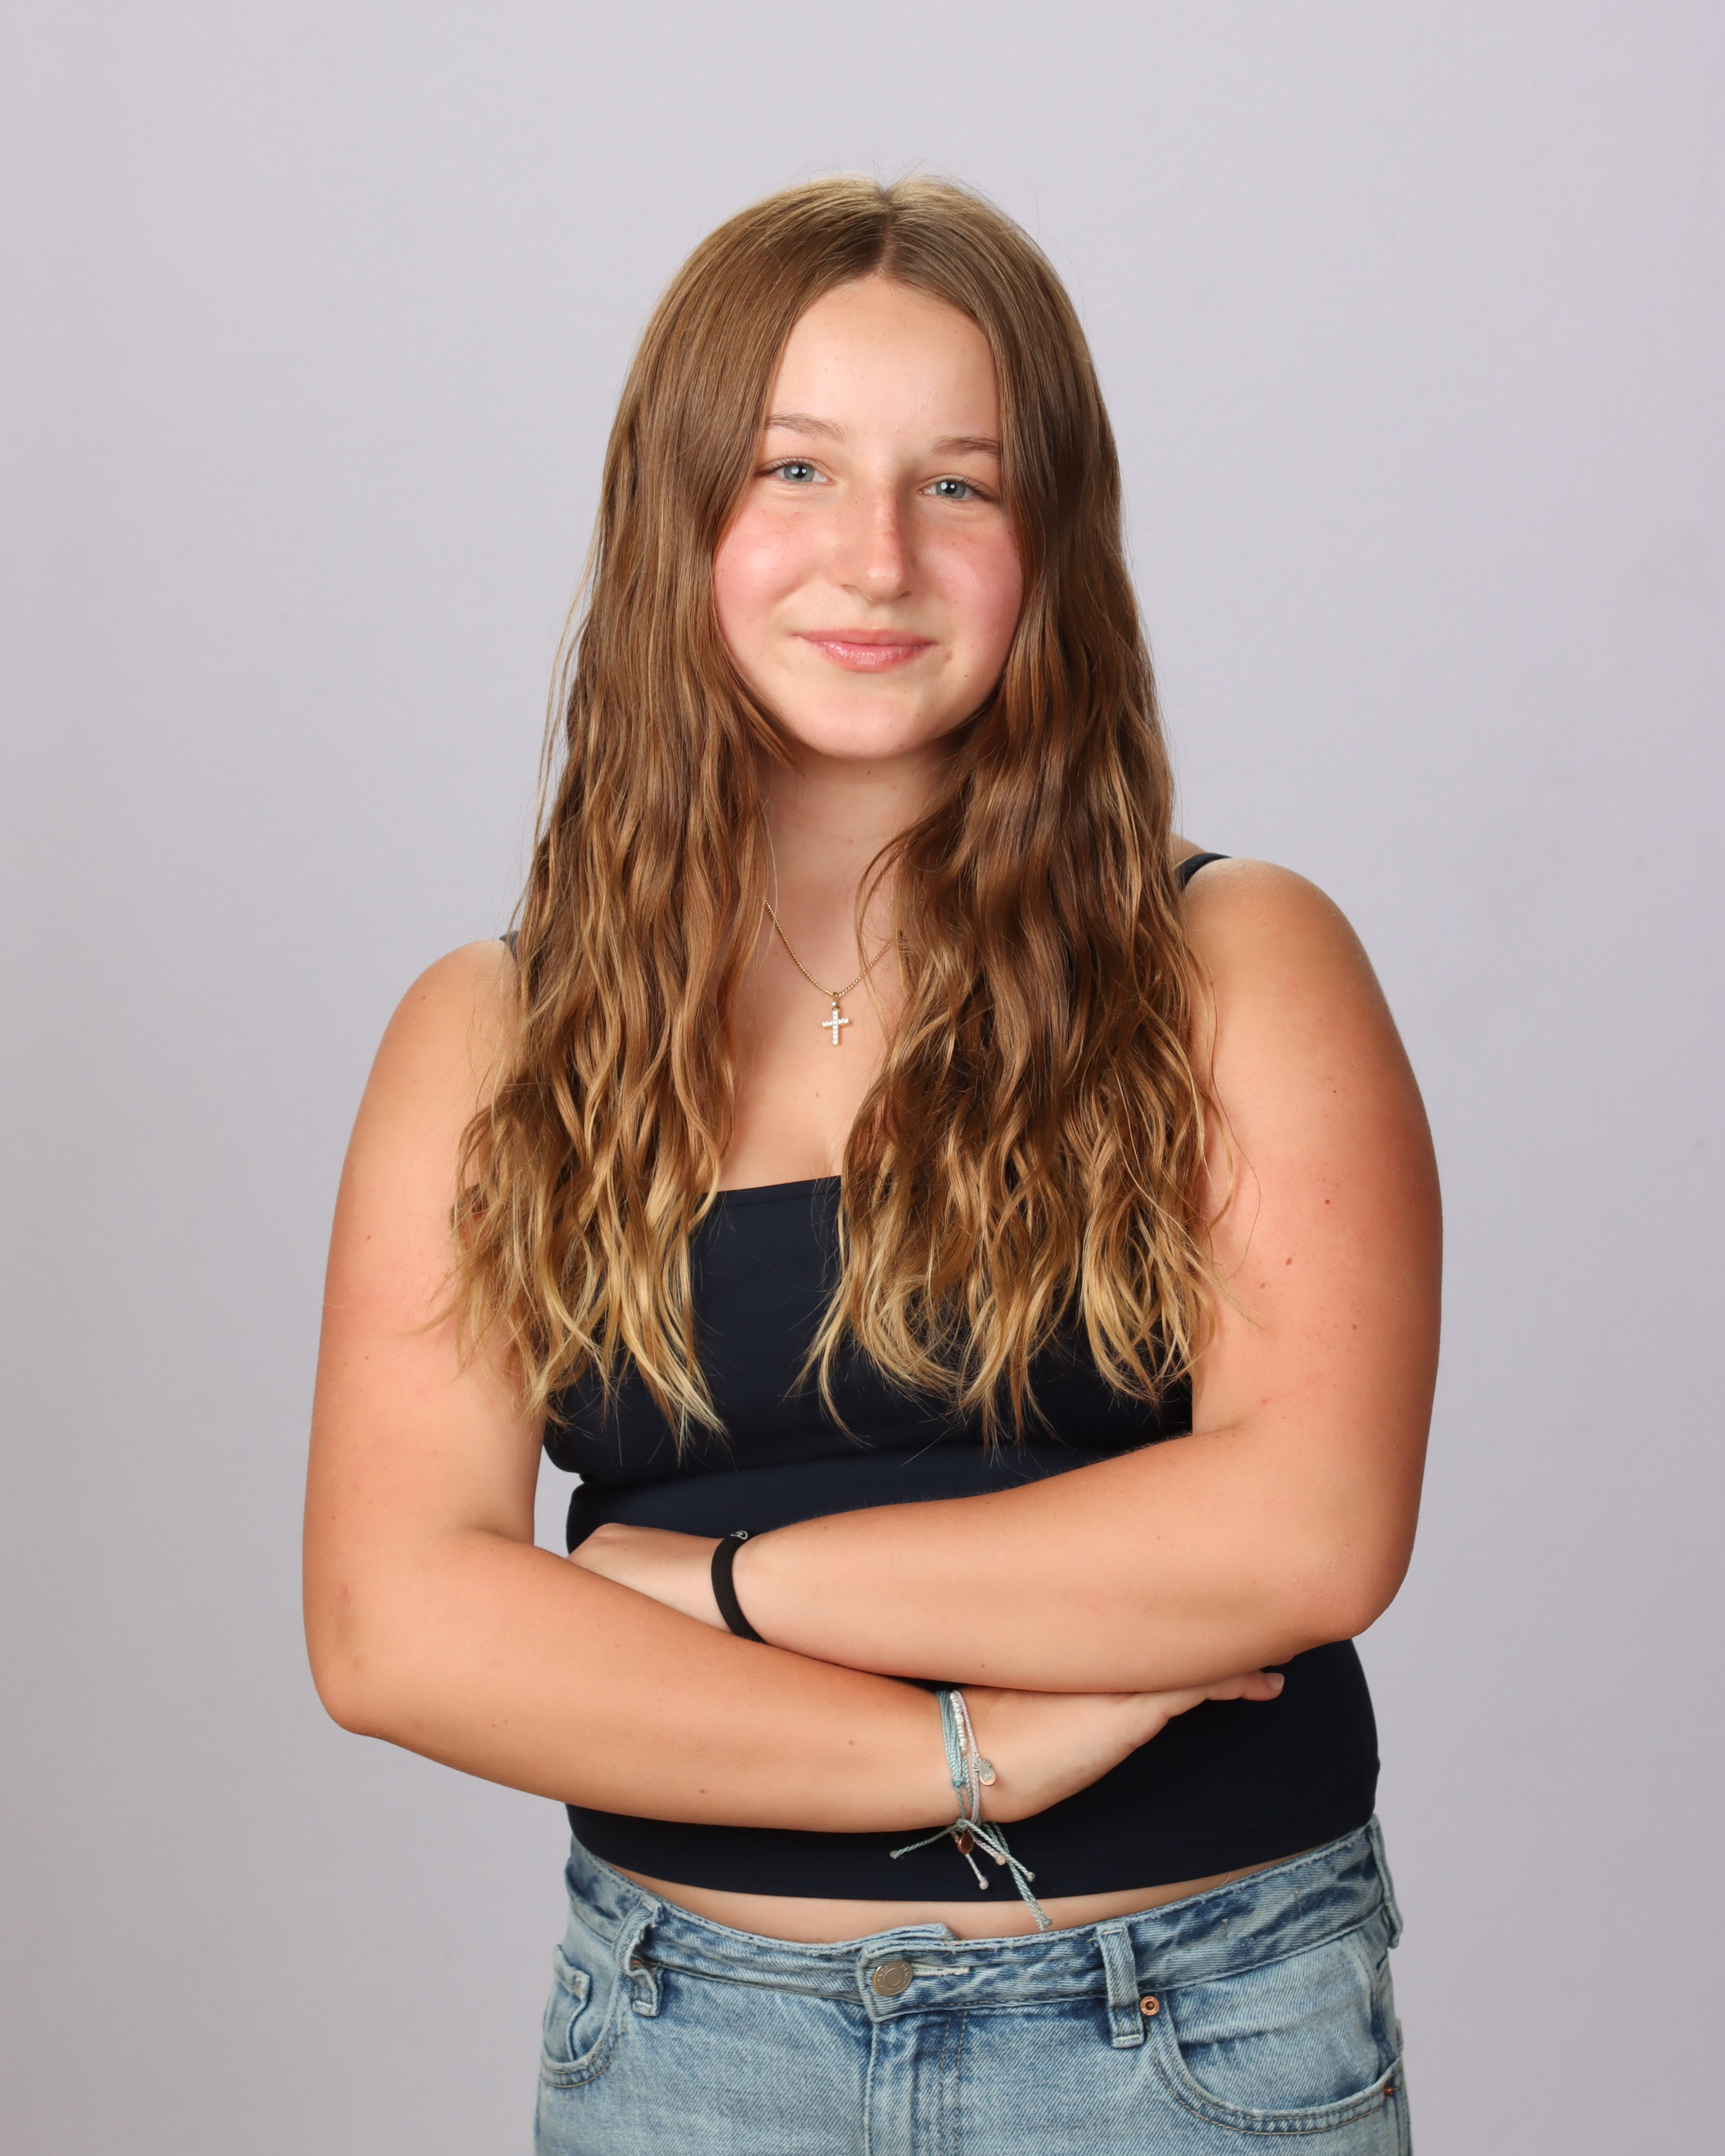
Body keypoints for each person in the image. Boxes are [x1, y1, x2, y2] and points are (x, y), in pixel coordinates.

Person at [304, 176, 1439, 2153]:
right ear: (675, 516)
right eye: (796, 468)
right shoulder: (489, 1033)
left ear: (1050, 542)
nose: (877, 558)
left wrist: (717, 1584)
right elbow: (394, 1623)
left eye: (959, 485)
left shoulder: (1238, 960)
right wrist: (967, 1754)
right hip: (686, 2045)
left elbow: (1306, 1531)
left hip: (1193, 2031)